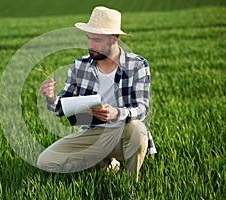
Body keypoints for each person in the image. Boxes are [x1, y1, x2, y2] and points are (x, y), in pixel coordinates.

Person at [37, 6, 156, 181]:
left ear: (114, 39)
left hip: (124, 133)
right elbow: (62, 107)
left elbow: (142, 108)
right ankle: (103, 161)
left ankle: (132, 185)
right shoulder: (79, 65)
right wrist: (52, 98)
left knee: (138, 127)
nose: (90, 45)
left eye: (97, 40)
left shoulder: (137, 65)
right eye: (89, 39)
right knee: (45, 161)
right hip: (92, 134)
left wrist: (116, 113)